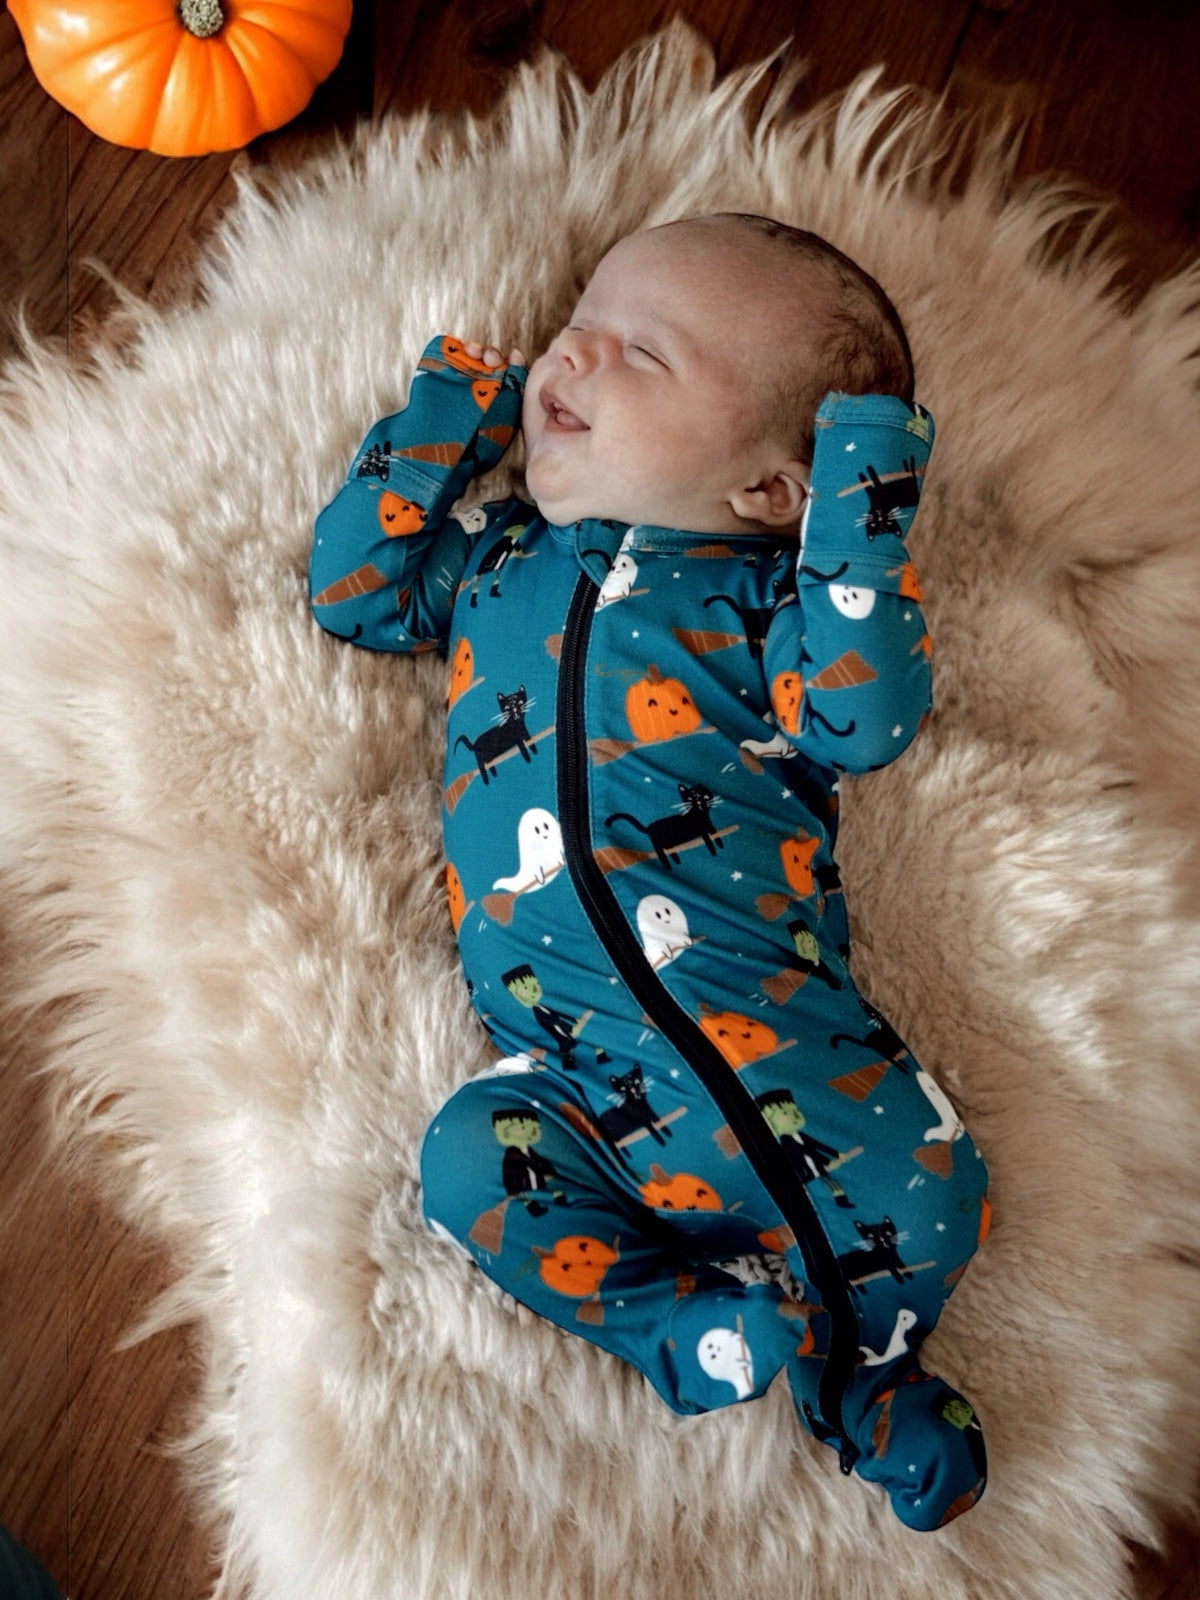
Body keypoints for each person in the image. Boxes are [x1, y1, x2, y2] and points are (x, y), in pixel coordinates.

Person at [310, 214, 990, 1531]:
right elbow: (352, 590)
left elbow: (864, 714)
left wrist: (860, 502)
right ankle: (684, 1330)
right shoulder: (500, 562)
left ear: (765, 489)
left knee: (927, 1201)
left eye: (639, 351)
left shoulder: (760, 609)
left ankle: (878, 1389)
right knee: (466, 1167)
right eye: (581, 318)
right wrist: (439, 421)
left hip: (809, 1064)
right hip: (583, 1093)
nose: (572, 349)